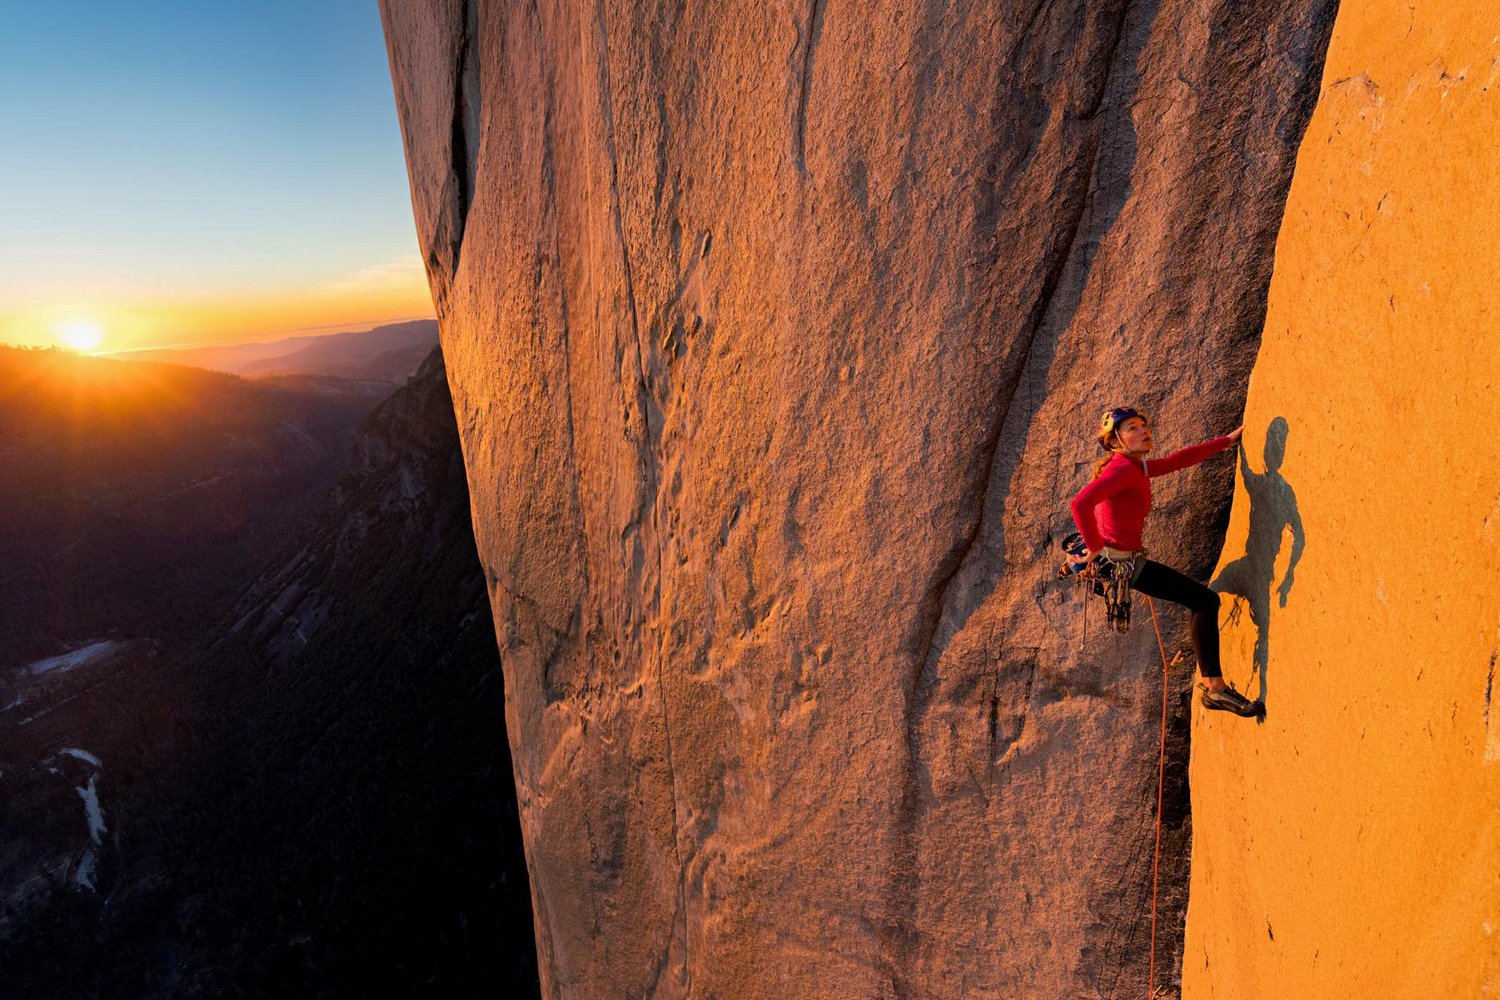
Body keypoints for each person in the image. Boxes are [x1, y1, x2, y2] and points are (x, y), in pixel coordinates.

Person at [1068, 406, 1262, 717]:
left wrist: (1225, 441)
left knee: (1202, 601)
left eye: (1143, 425)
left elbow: (1176, 461)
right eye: (1132, 428)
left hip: (1120, 561)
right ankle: (1215, 690)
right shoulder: (1122, 470)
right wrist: (1093, 547)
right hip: (1116, 563)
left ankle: (1215, 688)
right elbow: (1080, 503)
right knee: (1203, 601)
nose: (1143, 431)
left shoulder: (1135, 467)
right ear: (1115, 441)